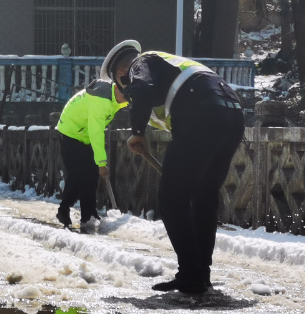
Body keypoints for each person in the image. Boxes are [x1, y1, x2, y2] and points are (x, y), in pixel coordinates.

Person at [102, 40, 244, 294]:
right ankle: (201, 274)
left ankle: (191, 274)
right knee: (203, 197)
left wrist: (137, 133)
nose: (124, 92)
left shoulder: (140, 63)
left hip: (202, 112)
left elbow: (142, 89)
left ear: (121, 73)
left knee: (172, 198)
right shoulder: (168, 65)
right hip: (232, 114)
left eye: (120, 84)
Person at [56, 77, 128, 228]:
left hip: (85, 134)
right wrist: (102, 162)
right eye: (126, 96)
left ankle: (88, 214)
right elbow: (97, 133)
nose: (126, 101)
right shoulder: (100, 101)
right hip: (71, 132)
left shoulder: (117, 99)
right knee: (77, 175)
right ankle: (63, 210)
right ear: (116, 89)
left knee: (91, 175)